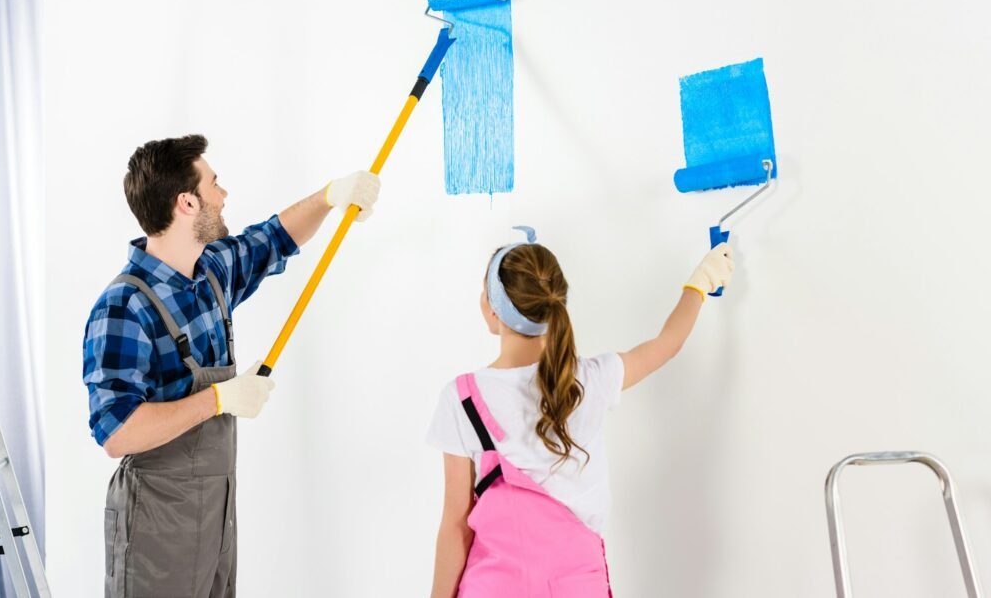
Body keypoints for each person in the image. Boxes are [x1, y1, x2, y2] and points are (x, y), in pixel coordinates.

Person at [83, 134, 380, 597]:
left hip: (217, 517)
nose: (224, 196)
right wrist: (218, 398)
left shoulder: (210, 272)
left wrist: (330, 196)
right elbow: (117, 433)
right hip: (155, 527)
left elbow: (272, 238)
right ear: (186, 203)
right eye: (214, 185)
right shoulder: (124, 307)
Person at [426, 226, 734, 597]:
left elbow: (456, 524)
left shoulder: (462, 399)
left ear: (490, 309)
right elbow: (668, 344)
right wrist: (699, 284)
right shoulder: (589, 380)